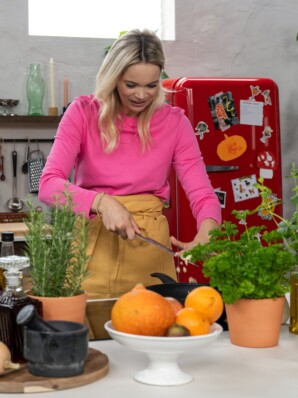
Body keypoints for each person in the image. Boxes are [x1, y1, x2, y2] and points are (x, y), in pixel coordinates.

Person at [38, 29, 221, 338]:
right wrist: (101, 202)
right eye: (131, 85)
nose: (141, 94)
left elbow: (202, 193)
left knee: (155, 331)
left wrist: (208, 230)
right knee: (90, 340)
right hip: (89, 247)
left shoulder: (174, 122)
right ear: (113, 78)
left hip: (148, 248)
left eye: (151, 85)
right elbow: (49, 185)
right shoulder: (83, 113)